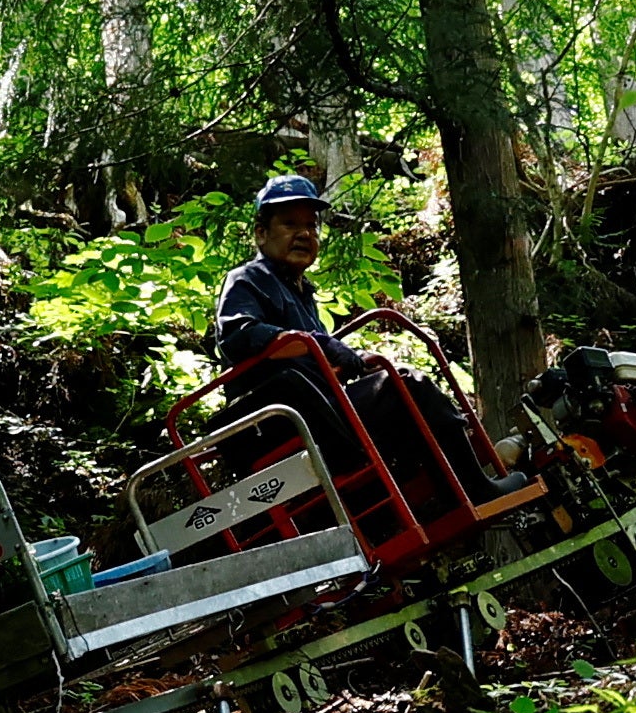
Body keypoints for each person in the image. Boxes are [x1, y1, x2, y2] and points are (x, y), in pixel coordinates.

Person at [210, 173, 520, 520]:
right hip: (285, 422)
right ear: (261, 232)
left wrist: (352, 358)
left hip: (320, 410)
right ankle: (475, 489)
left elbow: (316, 356)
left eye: (312, 226)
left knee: (399, 395)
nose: (304, 234)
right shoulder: (248, 280)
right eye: (289, 224)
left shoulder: (302, 293)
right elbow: (240, 337)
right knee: (406, 386)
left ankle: (448, 495)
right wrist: (321, 344)